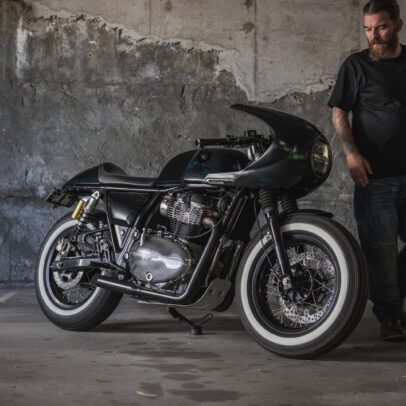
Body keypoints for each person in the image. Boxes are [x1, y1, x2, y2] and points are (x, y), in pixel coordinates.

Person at [328, 0, 406, 341]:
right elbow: (339, 113)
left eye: (381, 27)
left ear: (398, 25)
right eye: (368, 29)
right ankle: (390, 318)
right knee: (381, 252)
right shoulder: (356, 66)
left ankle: (393, 297)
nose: (374, 35)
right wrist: (351, 154)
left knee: (389, 257)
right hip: (375, 178)